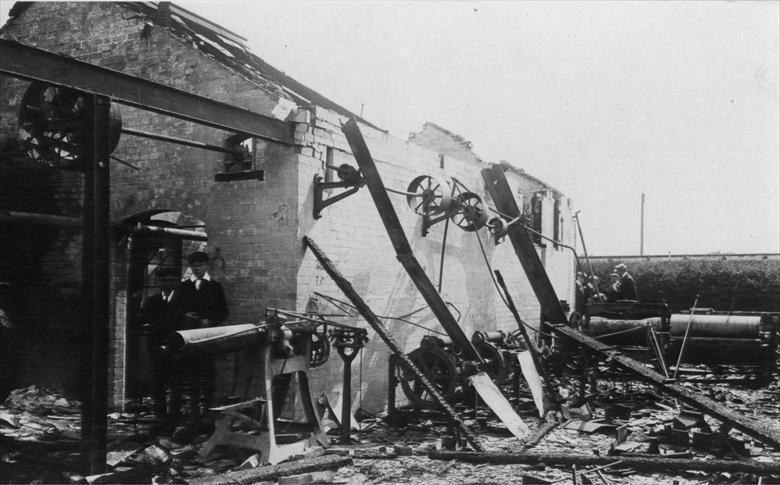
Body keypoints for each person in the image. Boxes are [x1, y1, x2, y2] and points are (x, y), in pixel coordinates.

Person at [178, 251, 229, 417]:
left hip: (208, 338)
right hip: (190, 338)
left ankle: (207, 413)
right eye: (194, 266)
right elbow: (176, 310)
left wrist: (210, 320)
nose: (198, 269)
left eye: (201, 265)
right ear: (190, 267)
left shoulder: (215, 287)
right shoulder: (184, 287)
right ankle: (193, 413)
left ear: (206, 266)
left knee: (208, 376)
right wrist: (185, 315)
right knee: (191, 376)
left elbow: (223, 312)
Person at [138, 267, 185, 420]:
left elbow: (183, 323)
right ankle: (160, 417)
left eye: (170, 280)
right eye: (163, 280)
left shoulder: (183, 301)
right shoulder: (152, 301)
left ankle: (174, 417)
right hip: (156, 348)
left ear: (176, 282)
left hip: (176, 349)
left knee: (175, 384)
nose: (167, 283)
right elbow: (143, 320)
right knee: (157, 384)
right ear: (158, 282)